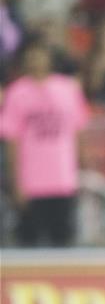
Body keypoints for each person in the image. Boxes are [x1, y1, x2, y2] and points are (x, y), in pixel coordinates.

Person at [0, 38, 89, 247]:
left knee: (64, 242)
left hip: (63, 179)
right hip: (31, 182)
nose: (36, 60)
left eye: (40, 55)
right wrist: (16, 182)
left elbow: (78, 133)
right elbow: (12, 140)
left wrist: (81, 171)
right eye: (31, 56)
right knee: (29, 243)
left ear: (49, 57)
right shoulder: (16, 92)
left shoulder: (68, 89)